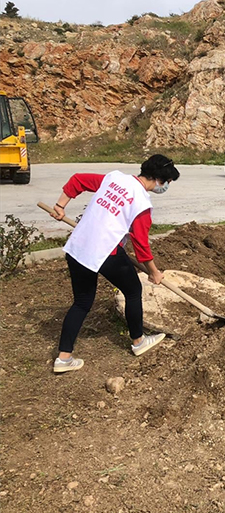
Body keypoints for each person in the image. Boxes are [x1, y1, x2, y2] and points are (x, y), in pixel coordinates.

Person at [48, 154, 180, 374]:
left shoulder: (115, 179)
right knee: (133, 289)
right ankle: (138, 342)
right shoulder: (142, 205)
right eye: (167, 183)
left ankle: (64, 358)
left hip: (78, 247)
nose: (165, 187)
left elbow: (78, 180)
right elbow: (141, 246)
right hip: (104, 253)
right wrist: (154, 273)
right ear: (159, 179)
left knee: (81, 302)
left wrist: (60, 205)